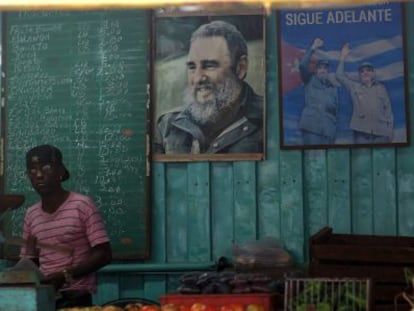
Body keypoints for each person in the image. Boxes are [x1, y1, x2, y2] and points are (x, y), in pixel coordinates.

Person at [20, 144, 112, 308]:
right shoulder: (31, 214)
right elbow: (30, 261)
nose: (39, 175)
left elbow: (104, 254)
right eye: (32, 170)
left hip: (77, 296)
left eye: (46, 167)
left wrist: (64, 275)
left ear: (61, 172)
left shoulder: (82, 205)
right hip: (44, 297)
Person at [153, 20, 263, 154]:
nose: (198, 78)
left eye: (210, 65)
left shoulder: (269, 120)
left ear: (241, 68)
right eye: (192, 67)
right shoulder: (167, 126)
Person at [336, 43, 394, 143]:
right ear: (359, 75)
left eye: (368, 70)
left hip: (381, 132)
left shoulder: (381, 88)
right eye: (362, 71)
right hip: (361, 132)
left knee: (383, 158)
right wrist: (342, 57)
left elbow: (388, 110)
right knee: (362, 158)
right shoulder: (354, 86)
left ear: (373, 73)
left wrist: (390, 130)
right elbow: (339, 76)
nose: (365, 73)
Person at [298, 37, 339, 145]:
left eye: (325, 68)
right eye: (320, 68)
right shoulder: (309, 80)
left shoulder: (332, 88)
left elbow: (336, 111)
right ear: (316, 70)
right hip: (312, 128)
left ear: (328, 71)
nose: (322, 70)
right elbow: (302, 65)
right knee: (313, 159)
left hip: (329, 131)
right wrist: (313, 48)